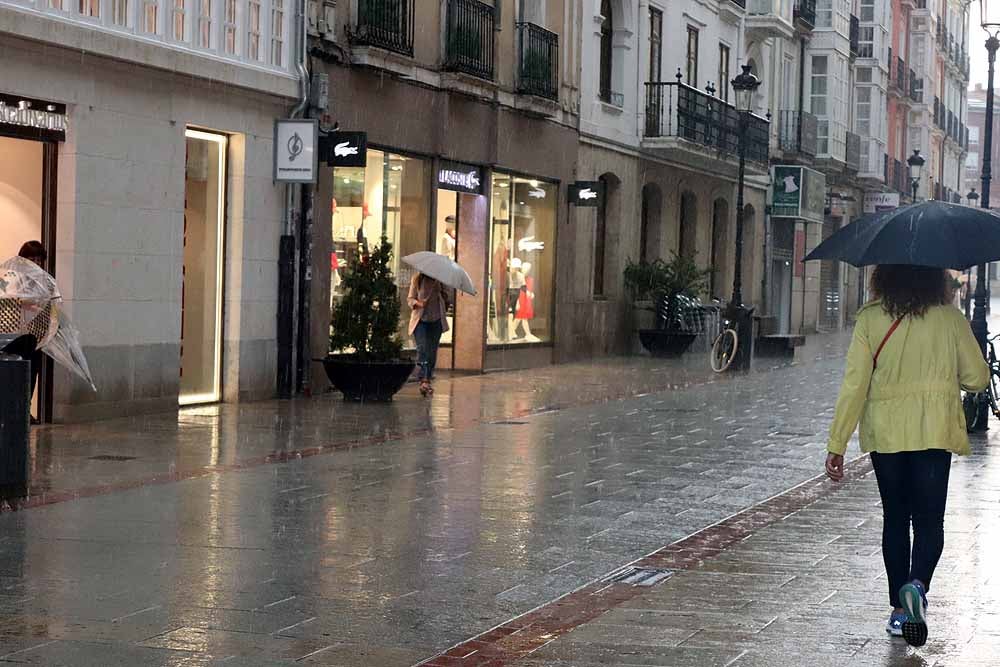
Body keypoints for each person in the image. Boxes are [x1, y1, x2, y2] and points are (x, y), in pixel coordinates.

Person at [825, 264, 988, 648]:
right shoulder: (950, 318)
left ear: (884, 277)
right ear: (934, 278)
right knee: (929, 521)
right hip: (933, 431)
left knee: (895, 519)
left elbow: (855, 384)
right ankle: (917, 585)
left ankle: (899, 612)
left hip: (887, 435)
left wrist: (837, 443)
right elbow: (978, 378)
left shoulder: (870, 319)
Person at [17, 241, 47, 425]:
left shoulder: (44, 281)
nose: (35, 263)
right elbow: (12, 300)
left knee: (32, 372)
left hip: (36, 333)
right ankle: (17, 409)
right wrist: (28, 303)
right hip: (18, 333)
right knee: (18, 372)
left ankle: (25, 409)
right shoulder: (14, 278)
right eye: (32, 258)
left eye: (38, 259)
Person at [407, 272, 449, 397]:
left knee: (432, 352)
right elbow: (410, 299)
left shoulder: (440, 279)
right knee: (423, 349)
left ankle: (428, 378)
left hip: (436, 321)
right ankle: (423, 379)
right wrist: (419, 303)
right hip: (420, 321)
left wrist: (443, 292)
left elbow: (448, 298)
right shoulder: (417, 279)